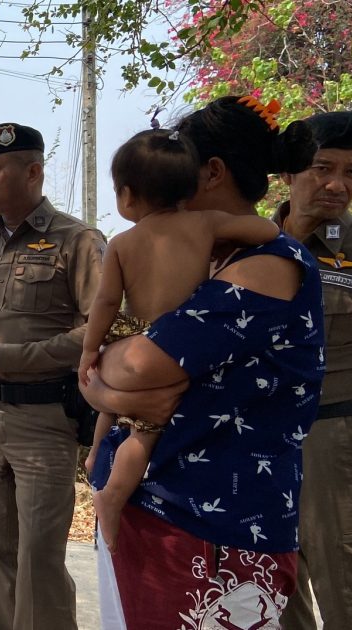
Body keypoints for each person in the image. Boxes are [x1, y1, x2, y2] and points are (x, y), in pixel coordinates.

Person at [81, 95, 324, 629]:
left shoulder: (268, 265)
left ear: (211, 172)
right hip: (165, 515)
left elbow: (137, 366)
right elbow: (128, 368)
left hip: (214, 530)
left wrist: (100, 380)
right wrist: (105, 393)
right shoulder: (214, 258)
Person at [78, 127, 281, 551]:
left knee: (115, 409)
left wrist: (90, 349)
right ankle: (110, 492)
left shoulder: (122, 243)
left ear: (127, 196)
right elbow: (267, 231)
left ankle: (99, 467)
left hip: (132, 335)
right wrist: (224, 236)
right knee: (145, 432)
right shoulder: (206, 223)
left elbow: (106, 302)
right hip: (175, 342)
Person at [0, 123, 105, 630]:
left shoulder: (77, 241)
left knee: (39, 559)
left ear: (32, 172)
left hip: (44, 421)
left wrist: (9, 359)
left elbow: (99, 332)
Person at [276, 107, 352, 630]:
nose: (338, 185)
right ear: (288, 173)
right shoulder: (246, 243)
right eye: (323, 168)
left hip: (336, 435)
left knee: (345, 585)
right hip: (259, 439)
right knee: (271, 593)